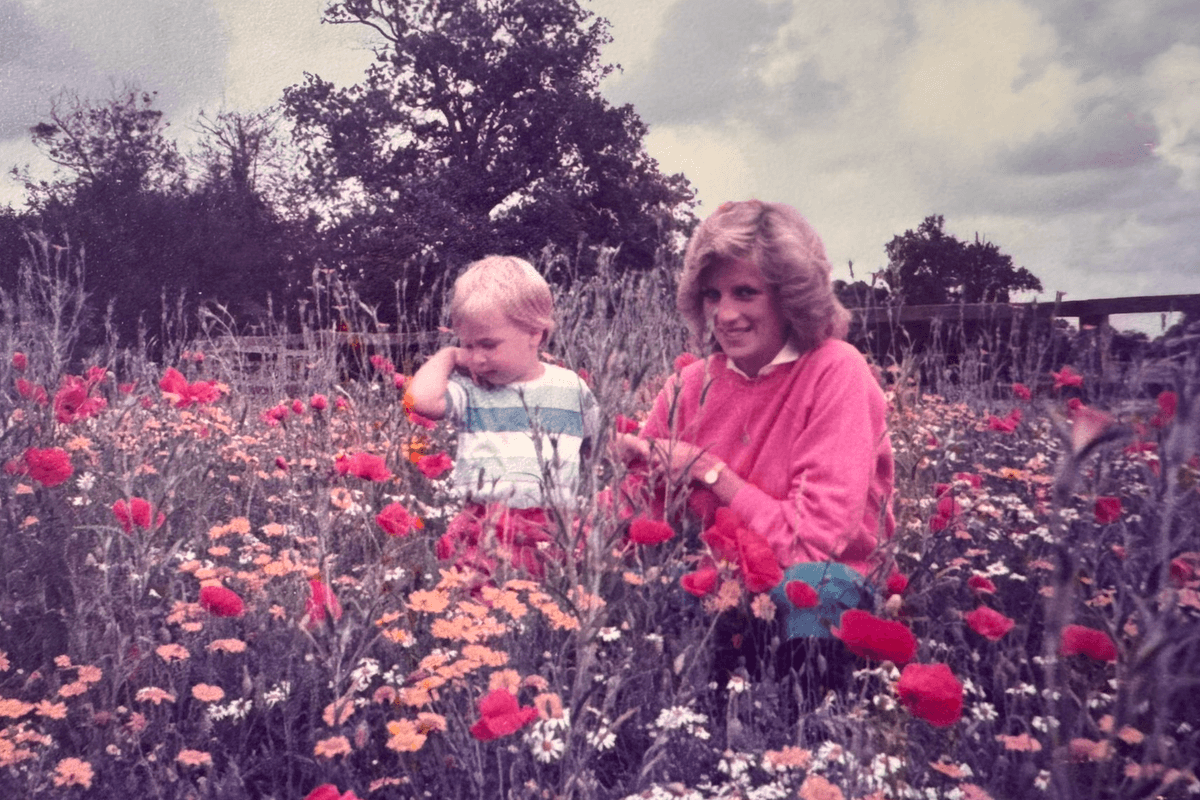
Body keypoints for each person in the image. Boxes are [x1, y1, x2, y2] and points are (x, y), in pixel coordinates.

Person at [618, 200, 895, 699]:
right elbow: (635, 510)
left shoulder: (836, 371)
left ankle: (811, 737)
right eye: (712, 295)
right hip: (717, 586)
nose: (725, 315)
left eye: (745, 292)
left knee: (809, 590)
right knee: (626, 602)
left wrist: (709, 473)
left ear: (791, 297)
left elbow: (814, 546)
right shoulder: (689, 384)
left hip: (815, 592)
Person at [407, 255, 599, 580]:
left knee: (545, 613)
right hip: (484, 528)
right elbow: (420, 400)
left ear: (535, 334)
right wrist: (449, 356)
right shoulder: (472, 392)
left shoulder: (571, 388)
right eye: (468, 345)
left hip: (552, 528)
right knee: (482, 614)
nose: (477, 358)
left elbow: (596, 447)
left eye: (488, 344)